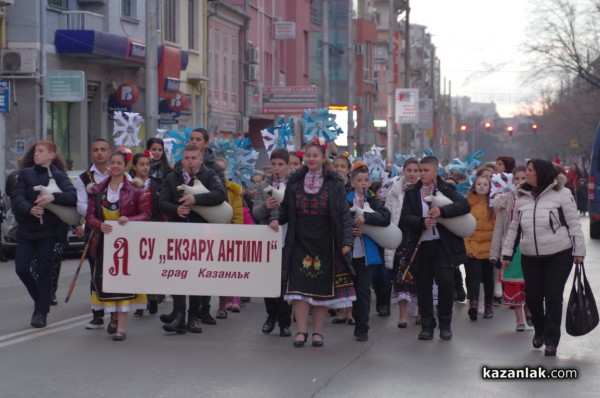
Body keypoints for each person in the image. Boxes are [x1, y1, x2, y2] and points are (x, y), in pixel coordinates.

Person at [269, 139, 355, 348]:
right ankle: (301, 331)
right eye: (308, 155)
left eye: (316, 155)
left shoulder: (334, 183)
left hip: (325, 241)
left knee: (321, 290)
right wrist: (275, 218)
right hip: (299, 240)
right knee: (297, 288)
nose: (311, 159)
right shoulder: (296, 181)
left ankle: (317, 333)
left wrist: (346, 240)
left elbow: (344, 214)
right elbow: (287, 209)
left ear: (324, 158)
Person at [502, 159, 586, 356]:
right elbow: (515, 227)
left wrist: (579, 251)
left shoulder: (562, 193)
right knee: (532, 297)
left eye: (530, 170)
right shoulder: (521, 195)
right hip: (530, 255)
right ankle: (539, 330)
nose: (526, 173)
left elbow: (574, 223)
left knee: (554, 297)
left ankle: (551, 340)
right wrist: (506, 253)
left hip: (559, 254)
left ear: (540, 172)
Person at [160, 128, 226, 326]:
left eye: (194, 158)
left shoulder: (209, 174)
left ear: (201, 158)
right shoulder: (173, 177)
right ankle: (179, 315)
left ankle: (193, 317)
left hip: (201, 232)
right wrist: (175, 209)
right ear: (182, 159)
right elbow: (162, 202)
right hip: (178, 231)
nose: (190, 161)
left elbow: (220, 194)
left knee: (198, 275)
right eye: (186, 157)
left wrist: (195, 199)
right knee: (179, 275)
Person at [400, 156, 470, 341]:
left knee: (446, 283)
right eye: (419, 170)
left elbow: (464, 205)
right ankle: (427, 325)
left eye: (425, 170)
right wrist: (422, 222)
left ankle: (445, 323)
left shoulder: (446, 189)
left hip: (443, 246)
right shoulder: (412, 192)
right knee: (423, 286)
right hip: (421, 245)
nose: (421, 174)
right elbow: (405, 218)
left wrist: (442, 212)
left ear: (436, 171)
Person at [12, 141, 77, 328]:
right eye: (36, 151)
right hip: (26, 229)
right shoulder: (26, 173)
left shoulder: (58, 175)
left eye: (41, 151)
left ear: (52, 155)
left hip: (48, 230)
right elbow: (17, 197)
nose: (36, 154)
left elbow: (72, 196)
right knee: (21, 267)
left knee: (44, 270)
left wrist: (52, 197)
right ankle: (42, 298)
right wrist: (29, 209)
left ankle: (40, 313)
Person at [86, 151, 150, 341]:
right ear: (108, 166)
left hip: (126, 245)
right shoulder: (97, 191)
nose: (115, 166)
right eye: (112, 163)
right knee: (107, 283)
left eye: (119, 163)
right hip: (104, 244)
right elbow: (89, 217)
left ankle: (121, 328)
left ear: (125, 166)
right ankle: (113, 317)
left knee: (123, 284)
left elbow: (146, 215)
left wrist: (128, 219)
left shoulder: (135, 190)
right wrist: (99, 224)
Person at [347, 162, 391, 341]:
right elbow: (338, 220)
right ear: (353, 183)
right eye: (359, 180)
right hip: (349, 251)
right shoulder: (345, 200)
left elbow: (385, 217)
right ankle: (356, 318)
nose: (363, 183)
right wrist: (351, 229)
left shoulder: (373, 200)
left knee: (364, 290)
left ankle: (362, 327)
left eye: (366, 180)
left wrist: (366, 218)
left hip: (368, 253)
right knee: (353, 290)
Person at [254, 148, 293, 337]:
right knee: (268, 280)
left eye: (281, 165)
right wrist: (266, 207)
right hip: (268, 238)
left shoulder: (293, 185)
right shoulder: (263, 186)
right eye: (274, 164)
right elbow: (256, 213)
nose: (277, 168)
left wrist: (279, 213)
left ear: (287, 166)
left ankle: (285, 321)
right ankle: (271, 316)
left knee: (284, 280)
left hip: (287, 236)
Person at [75, 138, 113, 329]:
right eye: (95, 150)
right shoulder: (83, 178)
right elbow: (81, 204)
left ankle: (115, 314)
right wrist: (98, 217)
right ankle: (97, 314)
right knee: (96, 270)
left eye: (103, 150)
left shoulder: (120, 173)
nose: (99, 153)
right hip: (95, 229)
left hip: (116, 229)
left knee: (115, 270)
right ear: (91, 154)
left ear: (109, 153)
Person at [490, 166, 532, 332]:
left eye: (524, 178)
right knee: (513, 284)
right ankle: (519, 320)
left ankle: (529, 310)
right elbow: (499, 228)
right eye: (517, 178)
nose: (520, 182)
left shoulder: (534, 198)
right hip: (511, 249)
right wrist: (495, 253)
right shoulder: (505, 200)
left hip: (530, 248)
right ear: (512, 180)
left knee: (530, 285)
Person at [386, 158, 419, 328]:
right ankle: (403, 315)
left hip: (419, 237)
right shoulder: (394, 191)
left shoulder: (425, 190)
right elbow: (388, 216)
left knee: (421, 276)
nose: (412, 174)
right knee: (400, 277)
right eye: (409, 170)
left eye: (416, 170)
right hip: (400, 238)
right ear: (403, 171)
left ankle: (421, 312)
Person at [129, 152, 163, 316]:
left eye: (147, 164)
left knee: (152, 266)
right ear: (134, 166)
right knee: (137, 267)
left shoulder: (155, 184)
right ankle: (140, 301)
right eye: (142, 164)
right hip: (135, 229)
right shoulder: (128, 185)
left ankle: (153, 296)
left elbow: (162, 206)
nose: (145, 167)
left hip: (153, 228)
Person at [214, 158, 244, 318]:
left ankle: (222, 306)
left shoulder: (233, 190)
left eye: (222, 169)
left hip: (227, 236)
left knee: (224, 273)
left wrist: (234, 236)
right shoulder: (207, 186)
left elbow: (237, 215)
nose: (220, 172)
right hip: (209, 235)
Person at [464, 175, 496, 321]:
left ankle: (488, 305)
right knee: (473, 277)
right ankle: (474, 305)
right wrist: (467, 247)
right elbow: (464, 228)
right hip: (473, 247)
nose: (482, 186)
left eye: (485, 184)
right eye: (479, 184)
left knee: (489, 279)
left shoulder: (495, 203)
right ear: (474, 186)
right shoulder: (468, 203)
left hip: (490, 249)